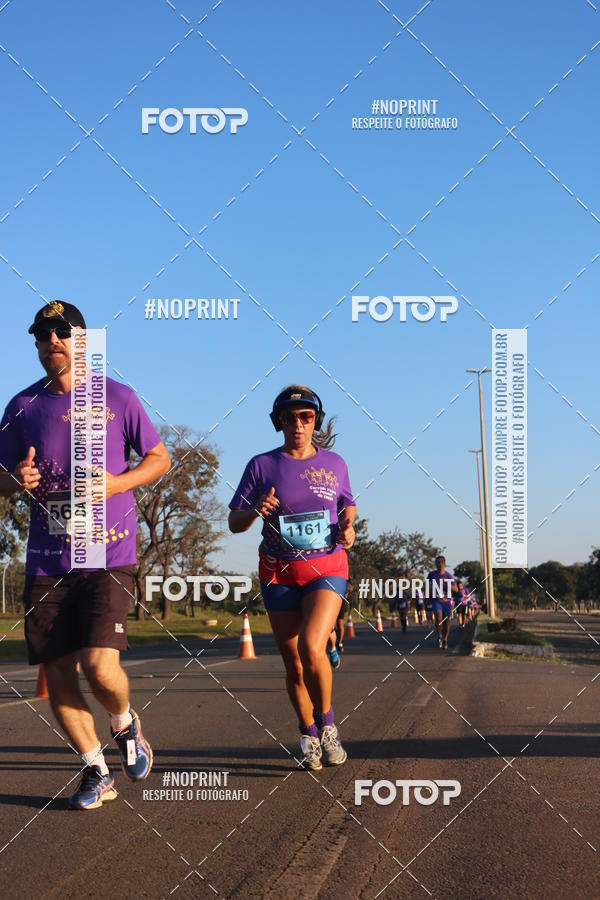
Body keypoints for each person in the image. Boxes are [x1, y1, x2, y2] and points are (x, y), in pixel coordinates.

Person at [0, 301, 171, 809]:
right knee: (56, 675)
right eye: (41, 334)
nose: (51, 340)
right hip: (46, 561)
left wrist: (118, 483)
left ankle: (124, 722)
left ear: (81, 339)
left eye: (62, 331)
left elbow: (159, 458)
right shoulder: (21, 407)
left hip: (108, 553)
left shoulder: (117, 397)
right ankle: (96, 768)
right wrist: (13, 481)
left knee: (99, 667)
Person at [228, 385, 356, 770]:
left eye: (306, 417)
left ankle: (328, 724)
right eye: (290, 417)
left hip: (327, 568)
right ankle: (308, 732)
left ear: (315, 421)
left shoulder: (335, 464)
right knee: (294, 665)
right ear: (278, 422)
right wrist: (253, 509)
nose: (298, 424)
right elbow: (235, 523)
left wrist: (349, 527)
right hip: (278, 572)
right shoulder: (261, 465)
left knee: (312, 648)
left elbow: (347, 506)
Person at [426, 555, 456, 649]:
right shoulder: (432, 575)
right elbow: (427, 586)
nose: (440, 564)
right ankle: (439, 636)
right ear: (435, 564)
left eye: (441, 562)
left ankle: (445, 638)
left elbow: (455, 589)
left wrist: (447, 583)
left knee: (447, 621)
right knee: (438, 618)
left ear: (444, 564)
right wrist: (429, 597)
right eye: (438, 562)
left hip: (446, 601)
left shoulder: (449, 575)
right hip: (436, 600)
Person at [326, 580, 350, 669]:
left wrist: (345, 589)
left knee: (333, 624)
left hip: (336, 596)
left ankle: (334, 647)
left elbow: (350, 586)